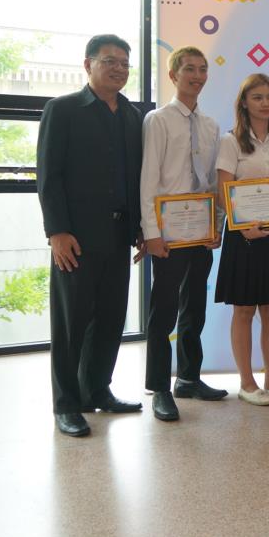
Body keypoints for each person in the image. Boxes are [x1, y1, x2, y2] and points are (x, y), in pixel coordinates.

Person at [37, 34, 145, 437]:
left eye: (125, 63)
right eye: (110, 61)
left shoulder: (132, 115)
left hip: (119, 233)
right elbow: (49, 175)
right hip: (76, 238)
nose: (119, 69)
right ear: (88, 64)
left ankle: (97, 390)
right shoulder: (63, 109)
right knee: (72, 323)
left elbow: (136, 177)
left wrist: (141, 228)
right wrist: (57, 231)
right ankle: (67, 404)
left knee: (110, 318)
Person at [138, 46, 227, 422]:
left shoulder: (210, 125)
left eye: (203, 69)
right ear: (173, 75)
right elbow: (148, 179)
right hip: (168, 233)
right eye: (189, 69)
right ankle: (159, 387)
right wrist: (151, 232)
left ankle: (188, 378)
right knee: (163, 311)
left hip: (200, 231)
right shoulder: (158, 120)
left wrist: (217, 224)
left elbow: (214, 183)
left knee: (194, 307)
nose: (197, 75)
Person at [215, 73, 269, 406]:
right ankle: (247, 383)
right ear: (244, 103)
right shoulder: (231, 140)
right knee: (244, 309)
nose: (265, 103)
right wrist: (241, 226)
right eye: (257, 97)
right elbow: (223, 190)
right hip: (244, 235)